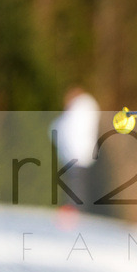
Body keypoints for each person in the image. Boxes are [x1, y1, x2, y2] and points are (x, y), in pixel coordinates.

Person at [49, 87, 100, 217]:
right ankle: (73, 209)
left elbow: (66, 129)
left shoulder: (79, 109)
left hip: (76, 152)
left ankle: (74, 210)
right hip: (80, 152)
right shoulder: (88, 107)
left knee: (76, 183)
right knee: (76, 182)